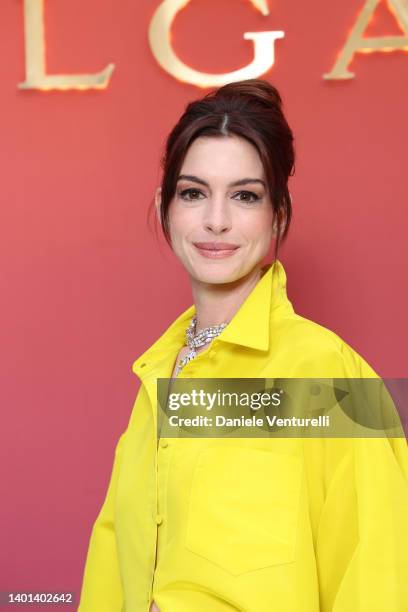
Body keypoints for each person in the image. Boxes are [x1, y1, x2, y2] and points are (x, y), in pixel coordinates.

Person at [78, 79, 408, 612]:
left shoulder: (329, 372)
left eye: (245, 195)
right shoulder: (159, 377)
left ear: (278, 213)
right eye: (193, 193)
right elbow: (113, 564)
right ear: (166, 208)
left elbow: (379, 578)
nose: (216, 220)